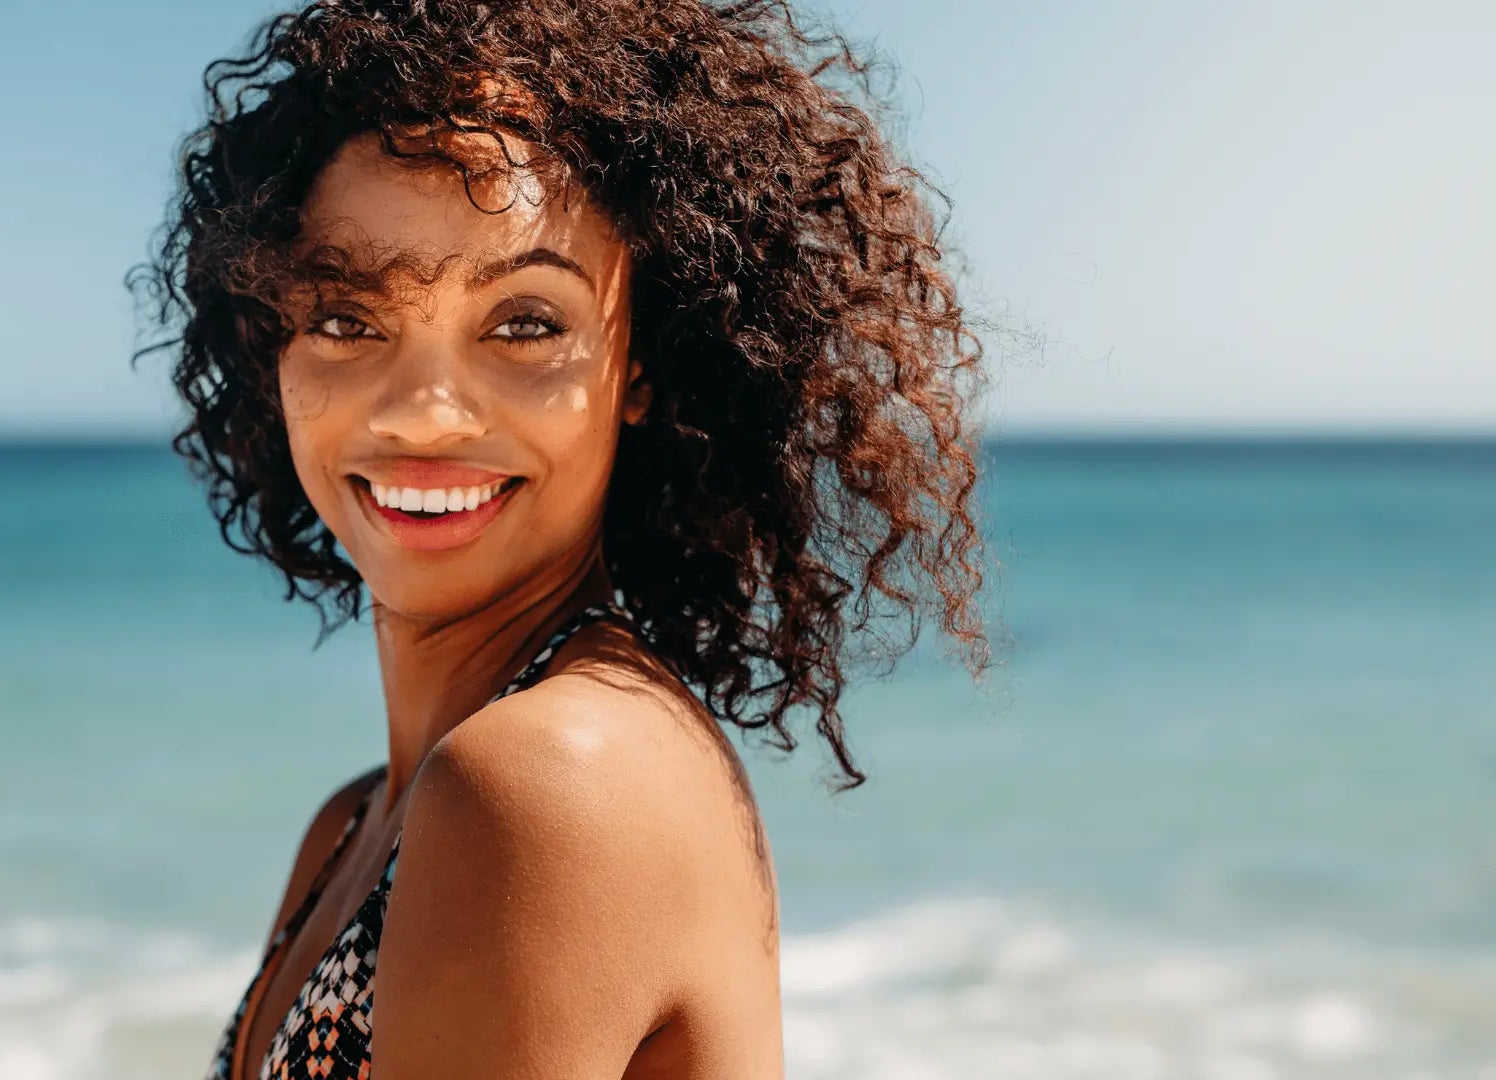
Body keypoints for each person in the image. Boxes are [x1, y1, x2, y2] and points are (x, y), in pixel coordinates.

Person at [133, 0, 993, 1075]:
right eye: (349, 319)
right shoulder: (353, 826)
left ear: (638, 363)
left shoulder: (541, 784)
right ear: (275, 348)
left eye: (525, 325)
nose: (423, 413)